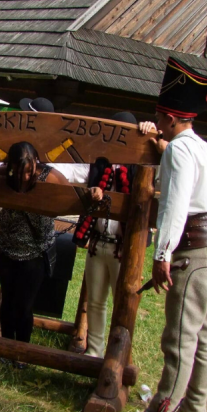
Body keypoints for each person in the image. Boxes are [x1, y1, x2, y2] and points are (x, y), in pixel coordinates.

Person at [117, 58, 207, 412]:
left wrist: (162, 254)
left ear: (168, 118)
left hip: (192, 254)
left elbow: (174, 206)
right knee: (203, 335)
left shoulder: (178, 152)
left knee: (179, 338)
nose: (156, 119)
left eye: (158, 115)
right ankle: (195, 409)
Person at [0, 142, 101, 360]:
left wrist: (92, 193)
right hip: (6, 247)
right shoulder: (4, 174)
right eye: (19, 172)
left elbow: (72, 196)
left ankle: (22, 353)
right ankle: (6, 349)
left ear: (36, 163)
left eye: (29, 171)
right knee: (8, 301)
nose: (25, 177)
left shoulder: (50, 176)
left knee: (25, 305)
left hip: (35, 251)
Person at [74, 111, 139, 358]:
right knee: (96, 301)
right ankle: (94, 350)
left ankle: (118, 353)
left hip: (122, 248)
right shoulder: (100, 163)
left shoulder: (137, 167)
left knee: (121, 304)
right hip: (98, 243)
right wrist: (93, 190)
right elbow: (85, 183)